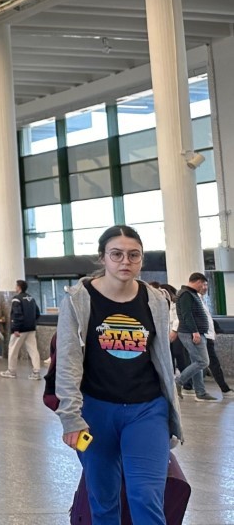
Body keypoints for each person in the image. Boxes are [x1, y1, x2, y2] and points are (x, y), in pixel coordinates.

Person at [56, 225, 182, 525]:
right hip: (95, 412)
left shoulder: (156, 299)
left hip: (147, 410)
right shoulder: (78, 299)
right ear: (103, 258)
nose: (125, 261)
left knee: (147, 496)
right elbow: (68, 361)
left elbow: (161, 356)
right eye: (117, 254)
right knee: (102, 498)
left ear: (141, 259)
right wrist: (71, 417)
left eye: (133, 255)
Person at [175, 272, 218, 402]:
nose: (204, 287)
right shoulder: (186, 294)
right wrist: (195, 331)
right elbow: (187, 315)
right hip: (190, 333)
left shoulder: (191, 294)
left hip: (194, 332)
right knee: (203, 362)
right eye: (203, 284)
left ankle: (200, 392)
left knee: (197, 362)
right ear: (198, 281)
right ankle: (178, 381)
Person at [1, 279, 42, 379]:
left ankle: (11, 371)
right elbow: (37, 313)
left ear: (19, 287)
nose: (15, 287)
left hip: (20, 330)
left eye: (16, 286)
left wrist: (16, 328)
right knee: (33, 350)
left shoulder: (17, 299)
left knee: (13, 349)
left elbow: (17, 314)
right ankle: (36, 372)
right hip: (31, 328)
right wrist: (32, 323)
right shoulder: (31, 298)